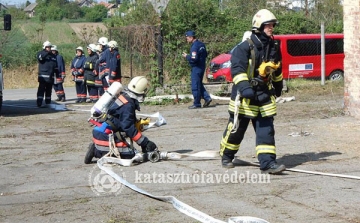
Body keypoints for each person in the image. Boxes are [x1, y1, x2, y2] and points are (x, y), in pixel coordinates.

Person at [219, 9, 285, 174]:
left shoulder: (274, 46)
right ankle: (227, 155)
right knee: (236, 130)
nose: (272, 28)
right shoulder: (244, 47)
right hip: (245, 96)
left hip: (264, 93)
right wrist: (245, 87)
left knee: (266, 130)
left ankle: (268, 163)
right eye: (268, 25)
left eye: (272, 25)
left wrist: (278, 85)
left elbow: (277, 68)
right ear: (259, 26)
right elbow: (237, 69)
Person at [84, 76, 158, 164]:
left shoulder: (123, 97)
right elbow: (128, 127)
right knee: (130, 155)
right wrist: (145, 143)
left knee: (127, 150)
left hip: (101, 130)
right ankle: (95, 150)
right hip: (105, 135)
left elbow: (123, 120)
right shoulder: (128, 105)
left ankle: (96, 148)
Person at [182, 30, 212, 109]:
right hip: (202, 66)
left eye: (187, 38)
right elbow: (205, 54)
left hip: (196, 67)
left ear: (191, 37)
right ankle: (207, 98)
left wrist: (187, 56)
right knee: (199, 84)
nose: (186, 39)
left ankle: (197, 103)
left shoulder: (194, 46)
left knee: (195, 85)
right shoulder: (201, 44)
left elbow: (194, 58)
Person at [36, 40, 57, 107]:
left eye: (50, 47)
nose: (49, 48)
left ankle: (48, 102)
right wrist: (47, 53)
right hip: (43, 77)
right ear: (44, 47)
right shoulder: (41, 53)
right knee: (41, 89)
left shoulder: (53, 56)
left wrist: (57, 74)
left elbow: (55, 65)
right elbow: (40, 58)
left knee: (49, 90)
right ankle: (39, 102)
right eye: (47, 47)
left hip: (51, 76)